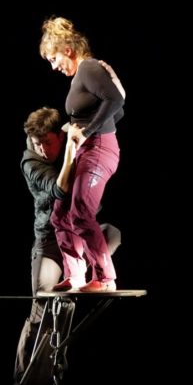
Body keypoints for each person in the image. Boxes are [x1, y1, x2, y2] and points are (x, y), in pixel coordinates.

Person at [11, 106, 122, 385]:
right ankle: (24, 384)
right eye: (37, 143)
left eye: (47, 142)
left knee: (112, 233)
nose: (42, 149)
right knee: (44, 310)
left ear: (59, 137)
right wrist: (72, 151)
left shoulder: (73, 145)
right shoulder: (30, 161)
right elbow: (59, 190)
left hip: (76, 240)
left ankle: (57, 378)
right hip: (49, 243)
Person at [39, 16, 126, 292]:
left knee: (80, 212)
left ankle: (105, 278)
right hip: (87, 150)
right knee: (60, 214)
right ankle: (76, 275)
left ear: (67, 49)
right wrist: (83, 130)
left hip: (99, 149)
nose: (54, 67)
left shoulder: (88, 67)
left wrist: (87, 131)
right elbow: (116, 112)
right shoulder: (81, 75)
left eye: (54, 59)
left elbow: (117, 100)